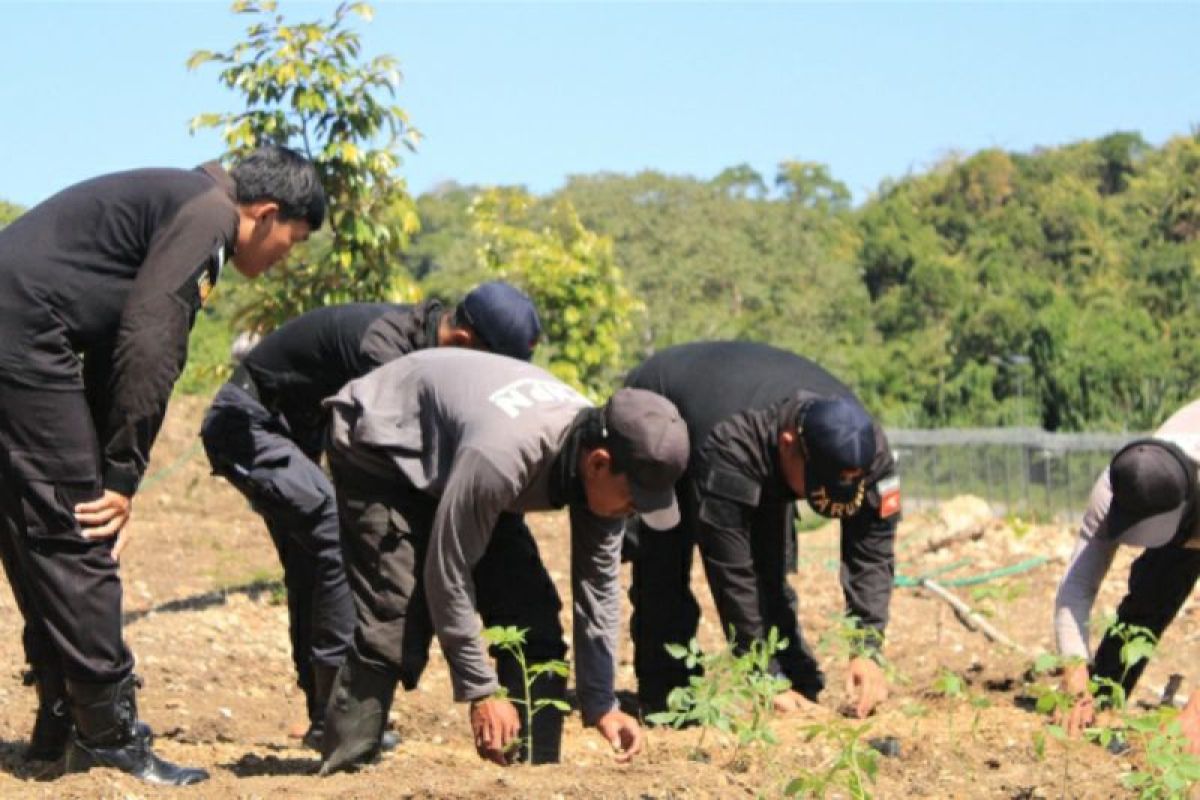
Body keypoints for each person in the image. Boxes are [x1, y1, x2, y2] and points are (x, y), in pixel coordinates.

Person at [0, 146, 324, 785]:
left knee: (34, 526)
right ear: (263, 214)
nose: (285, 258)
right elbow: (151, 342)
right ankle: (108, 738)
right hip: (25, 339)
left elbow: (104, 324)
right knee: (81, 528)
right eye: (290, 241)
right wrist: (122, 475)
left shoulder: (179, 198)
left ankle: (61, 724)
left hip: (21, 331)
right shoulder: (207, 216)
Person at [199, 281, 541, 749]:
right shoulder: (386, 353)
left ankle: (326, 714)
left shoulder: (428, 344)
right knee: (329, 530)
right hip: (247, 422)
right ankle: (334, 717)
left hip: (301, 435)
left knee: (312, 564)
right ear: (463, 342)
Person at [317, 348, 690, 774]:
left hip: (462, 454)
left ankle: (534, 772)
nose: (632, 513)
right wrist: (482, 691)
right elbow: (448, 571)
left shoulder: (599, 458)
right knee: (395, 614)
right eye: (632, 501)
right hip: (384, 442)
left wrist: (601, 702)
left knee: (533, 617)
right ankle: (345, 768)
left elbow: (599, 589)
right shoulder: (505, 456)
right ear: (598, 464)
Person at [622, 341, 901, 719]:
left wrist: (867, 648)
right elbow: (731, 573)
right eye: (817, 483)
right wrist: (763, 677)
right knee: (664, 564)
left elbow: (872, 551)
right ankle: (671, 699)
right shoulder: (734, 446)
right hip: (666, 405)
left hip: (751, 432)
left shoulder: (871, 454)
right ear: (789, 445)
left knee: (772, 570)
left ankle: (800, 685)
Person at [1054, 399, 1200, 752]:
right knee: (1154, 589)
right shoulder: (1115, 489)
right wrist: (1075, 672)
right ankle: (1102, 701)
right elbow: (1077, 585)